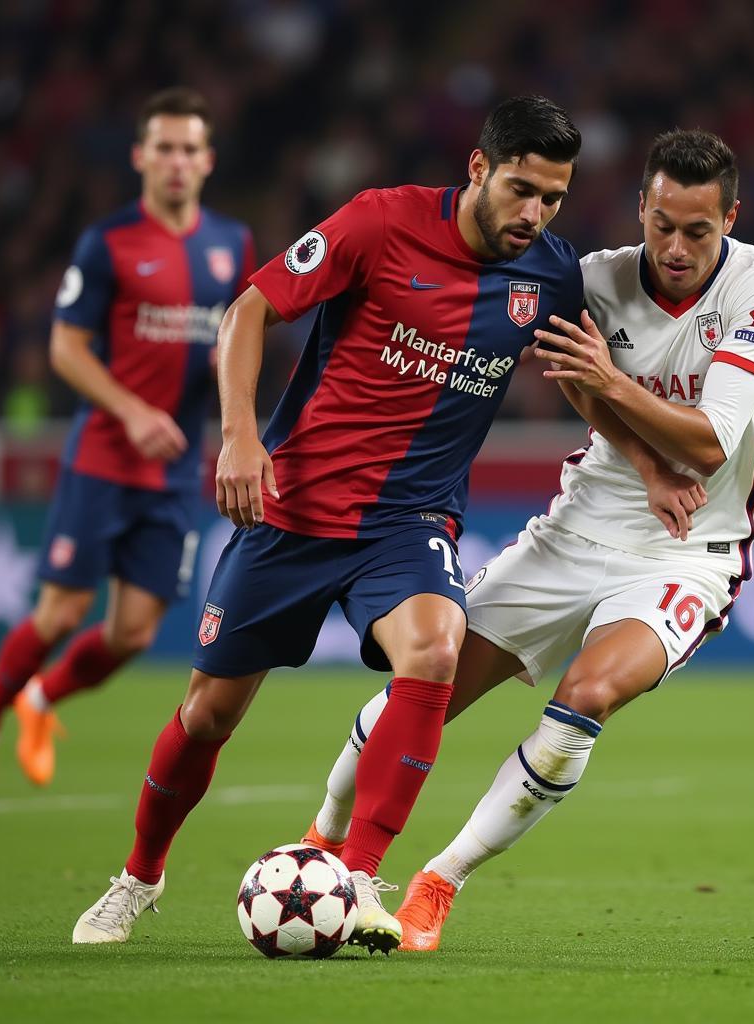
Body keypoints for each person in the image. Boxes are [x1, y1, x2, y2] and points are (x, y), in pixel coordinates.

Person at [71, 95, 584, 953]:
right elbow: (249, 311)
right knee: (207, 718)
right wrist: (240, 435)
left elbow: (633, 342)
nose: (533, 214)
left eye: (553, 198)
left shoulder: (550, 276)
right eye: (521, 189)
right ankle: (138, 877)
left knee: (434, 649)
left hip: (407, 521)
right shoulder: (380, 222)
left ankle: (359, 876)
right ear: (478, 169)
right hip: (292, 510)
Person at [301, 128, 754, 951]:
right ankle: (321, 839)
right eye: (662, 224)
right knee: (427, 691)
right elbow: (575, 376)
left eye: (698, 232)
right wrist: (639, 461)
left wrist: (611, 382)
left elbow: (710, 443)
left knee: (590, 695)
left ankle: (440, 879)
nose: (675, 248)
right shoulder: (593, 279)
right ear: (641, 207)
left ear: (731, 220)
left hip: (690, 554)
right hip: (572, 532)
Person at [0, 88, 255, 807]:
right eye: (164, 148)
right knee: (57, 615)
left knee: (134, 636)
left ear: (207, 161)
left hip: (174, 471)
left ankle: (41, 700)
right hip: (105, 459)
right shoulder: (109, 242)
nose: (176, 162)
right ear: (141, 156)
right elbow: (65, 346)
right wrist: (133, 409)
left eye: (189, 149)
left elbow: (239, 333)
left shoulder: (230, 244)